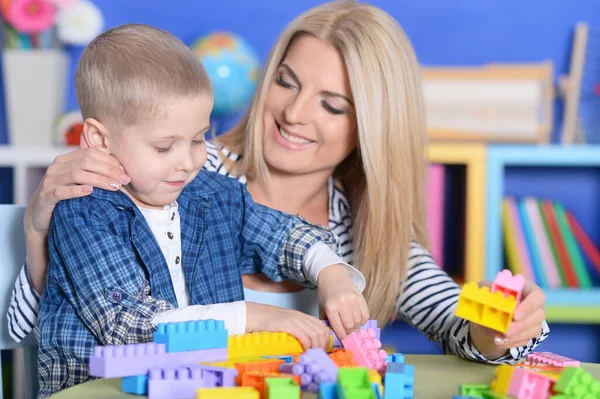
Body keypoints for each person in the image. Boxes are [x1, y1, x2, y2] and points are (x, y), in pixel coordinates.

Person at [8, 0, 549, 368]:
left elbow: (460, 326)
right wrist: (38, 236)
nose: (293, 113)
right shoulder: (182, 175)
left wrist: (504, 328)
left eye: (331, 105)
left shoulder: (367, 231)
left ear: (372, 130)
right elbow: (64, 331)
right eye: (286, 82)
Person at [35, 23, 369, 398]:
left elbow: (280, 233)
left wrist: (331, 270)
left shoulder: (211, 196)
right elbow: (130, 325)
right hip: (105, 389)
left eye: (198, 139)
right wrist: (255, 315)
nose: (187, 162)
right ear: (99, 140)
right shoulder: (85, 214)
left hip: (200, 385)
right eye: (164, 147)